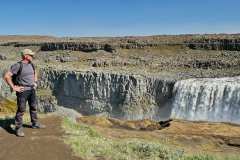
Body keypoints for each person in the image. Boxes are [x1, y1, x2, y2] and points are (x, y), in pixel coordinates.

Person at [4, 49, 45, 137]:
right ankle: (18, 128)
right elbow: (7, 76)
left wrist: (35, 82)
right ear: (26, 56)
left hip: (32, 89)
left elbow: (35, 72)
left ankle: (35, 123)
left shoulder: (32, 64)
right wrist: (14, 87)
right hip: (22, 91)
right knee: (21, 110)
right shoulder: (18, 65)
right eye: (31, 55)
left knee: (33, 107)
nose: (32, 56)